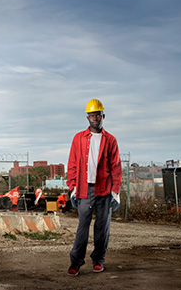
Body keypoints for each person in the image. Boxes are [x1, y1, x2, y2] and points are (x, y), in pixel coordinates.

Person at [66, 99, 122, 276]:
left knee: (102, 227)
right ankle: (76, 262)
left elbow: (116, 167)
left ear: (103, 116)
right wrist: (72, 187)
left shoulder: (110, 140)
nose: (95, 118)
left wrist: (116, 191)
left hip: (104, 190)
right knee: (83, 226)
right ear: (87, 118)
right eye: (92, 115)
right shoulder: (78, 138)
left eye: (98, 115)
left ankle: (98, 260)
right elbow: (73, 164)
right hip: (84, 189)